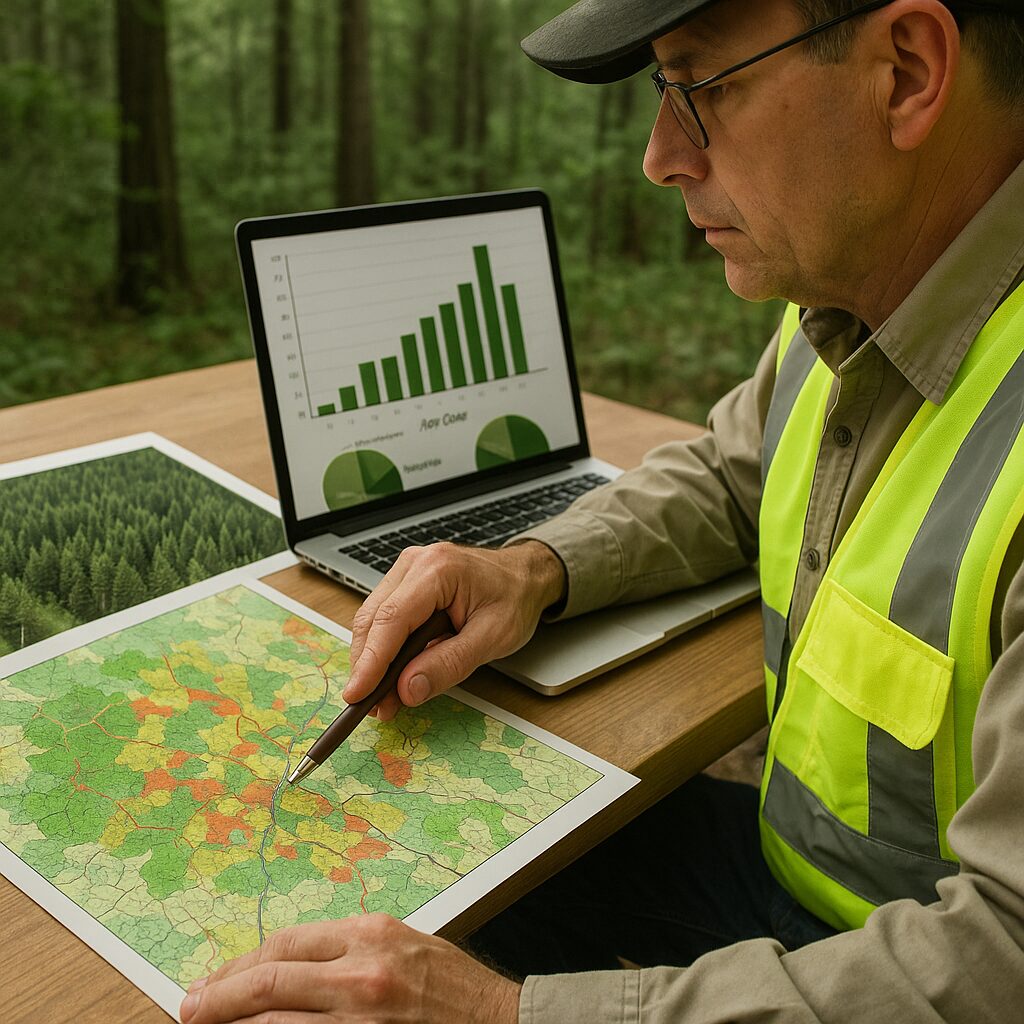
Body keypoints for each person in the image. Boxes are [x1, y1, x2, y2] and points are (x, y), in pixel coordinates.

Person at [179, 0, 1024, 1020]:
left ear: (904, 69)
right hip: (798, 872)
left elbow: (1002, 958)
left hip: (904, 949)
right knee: (466, 883)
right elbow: (729, 475)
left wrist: (501, 1016)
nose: (658, 156)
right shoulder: (859, 292)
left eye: (697, 88)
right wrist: (531, 567)